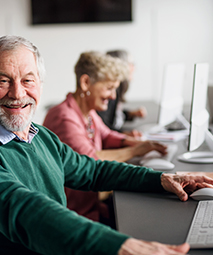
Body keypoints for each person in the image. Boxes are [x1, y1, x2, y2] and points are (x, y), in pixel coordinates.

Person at [0, 35, 213, 255]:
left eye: (28, 80)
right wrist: (118, 246)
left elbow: (94, 172)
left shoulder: (41, 137)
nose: (17, 93)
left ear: (40, 84)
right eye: (3, 81)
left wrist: (163, 178)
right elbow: (22, 209)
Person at [43, 51, 167, 229]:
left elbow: (107, 135)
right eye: (109, 88)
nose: (113, 96)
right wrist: (135, 151)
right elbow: (90, 161)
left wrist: (137, 143)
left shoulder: (87, 112)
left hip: (91, 206)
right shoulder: (64, 117)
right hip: (74, 218)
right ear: (86, 83)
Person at [97, 50, 146, 138]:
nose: (134, 67)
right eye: (131, 63)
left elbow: (113, 116)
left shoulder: (116, 89)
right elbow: (103, 125)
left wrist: (130, 114)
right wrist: (123, 135)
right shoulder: (110, 91)